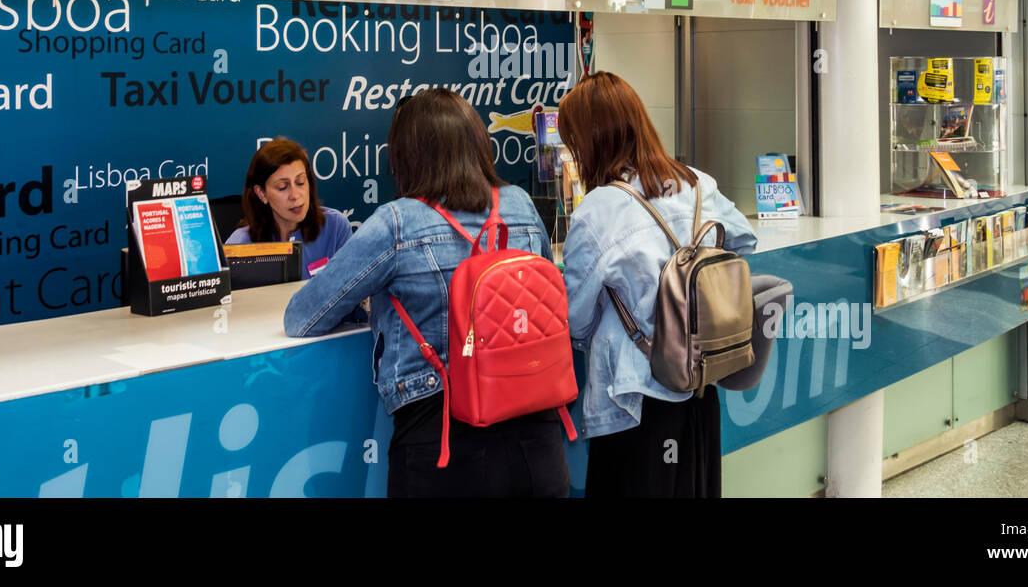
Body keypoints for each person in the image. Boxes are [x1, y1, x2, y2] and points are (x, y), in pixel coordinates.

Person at [283, 90, 570, 498]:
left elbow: (303, 316)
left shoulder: (397, 222)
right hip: (536, 432)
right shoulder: (520, 205)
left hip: (441, 439)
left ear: (407, 154)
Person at [557, 71, 758, 498]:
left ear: (591, 141)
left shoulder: (601, 208)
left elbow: (573, 320)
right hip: (700, 383)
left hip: (637, 400)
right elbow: (743, 239)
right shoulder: (695, 182)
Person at [227, 138, 352, 273]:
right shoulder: (240, 246)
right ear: (262, 193)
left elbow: (354, 287)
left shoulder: (336, 227)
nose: (295, 195)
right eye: (282, 187)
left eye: (300, 182)